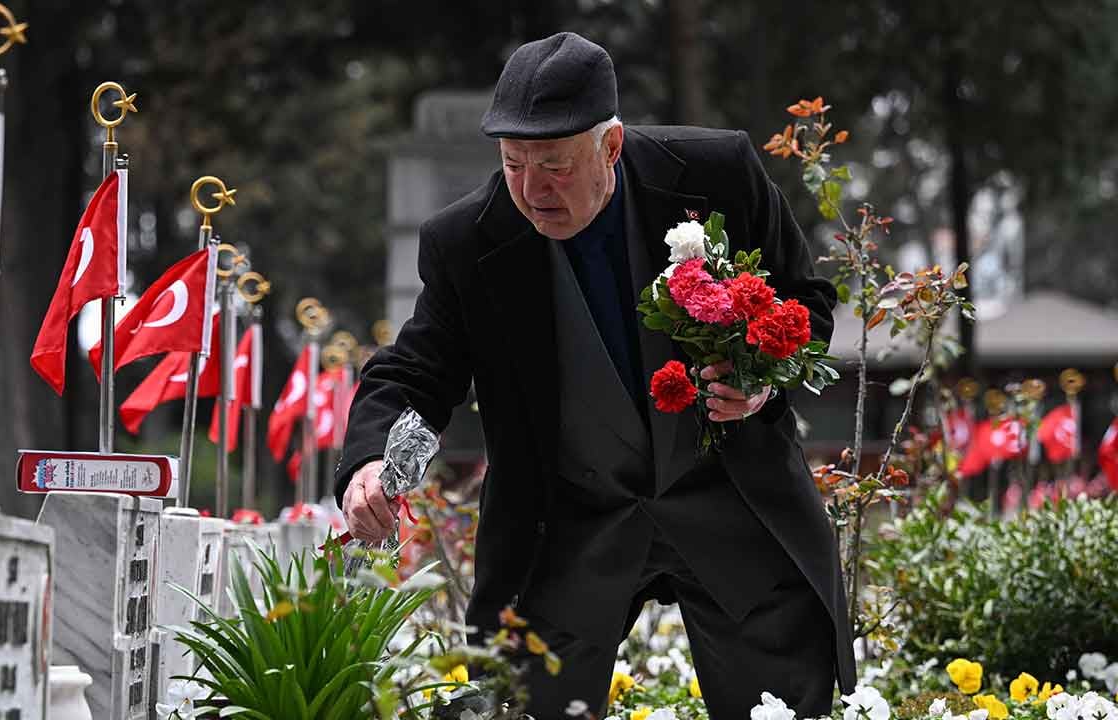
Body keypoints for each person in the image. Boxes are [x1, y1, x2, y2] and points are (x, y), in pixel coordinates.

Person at [335, 31, 855, 719]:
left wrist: (763, 379)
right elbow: (416, 369)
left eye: (554, 165)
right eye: (513, 163)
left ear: (610, 147)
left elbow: (806, 301)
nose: (530, 189)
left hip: (732, 503)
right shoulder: (470, 239)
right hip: (568, 522)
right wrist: (369, 459)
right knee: (524, 706)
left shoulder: (715, 172)